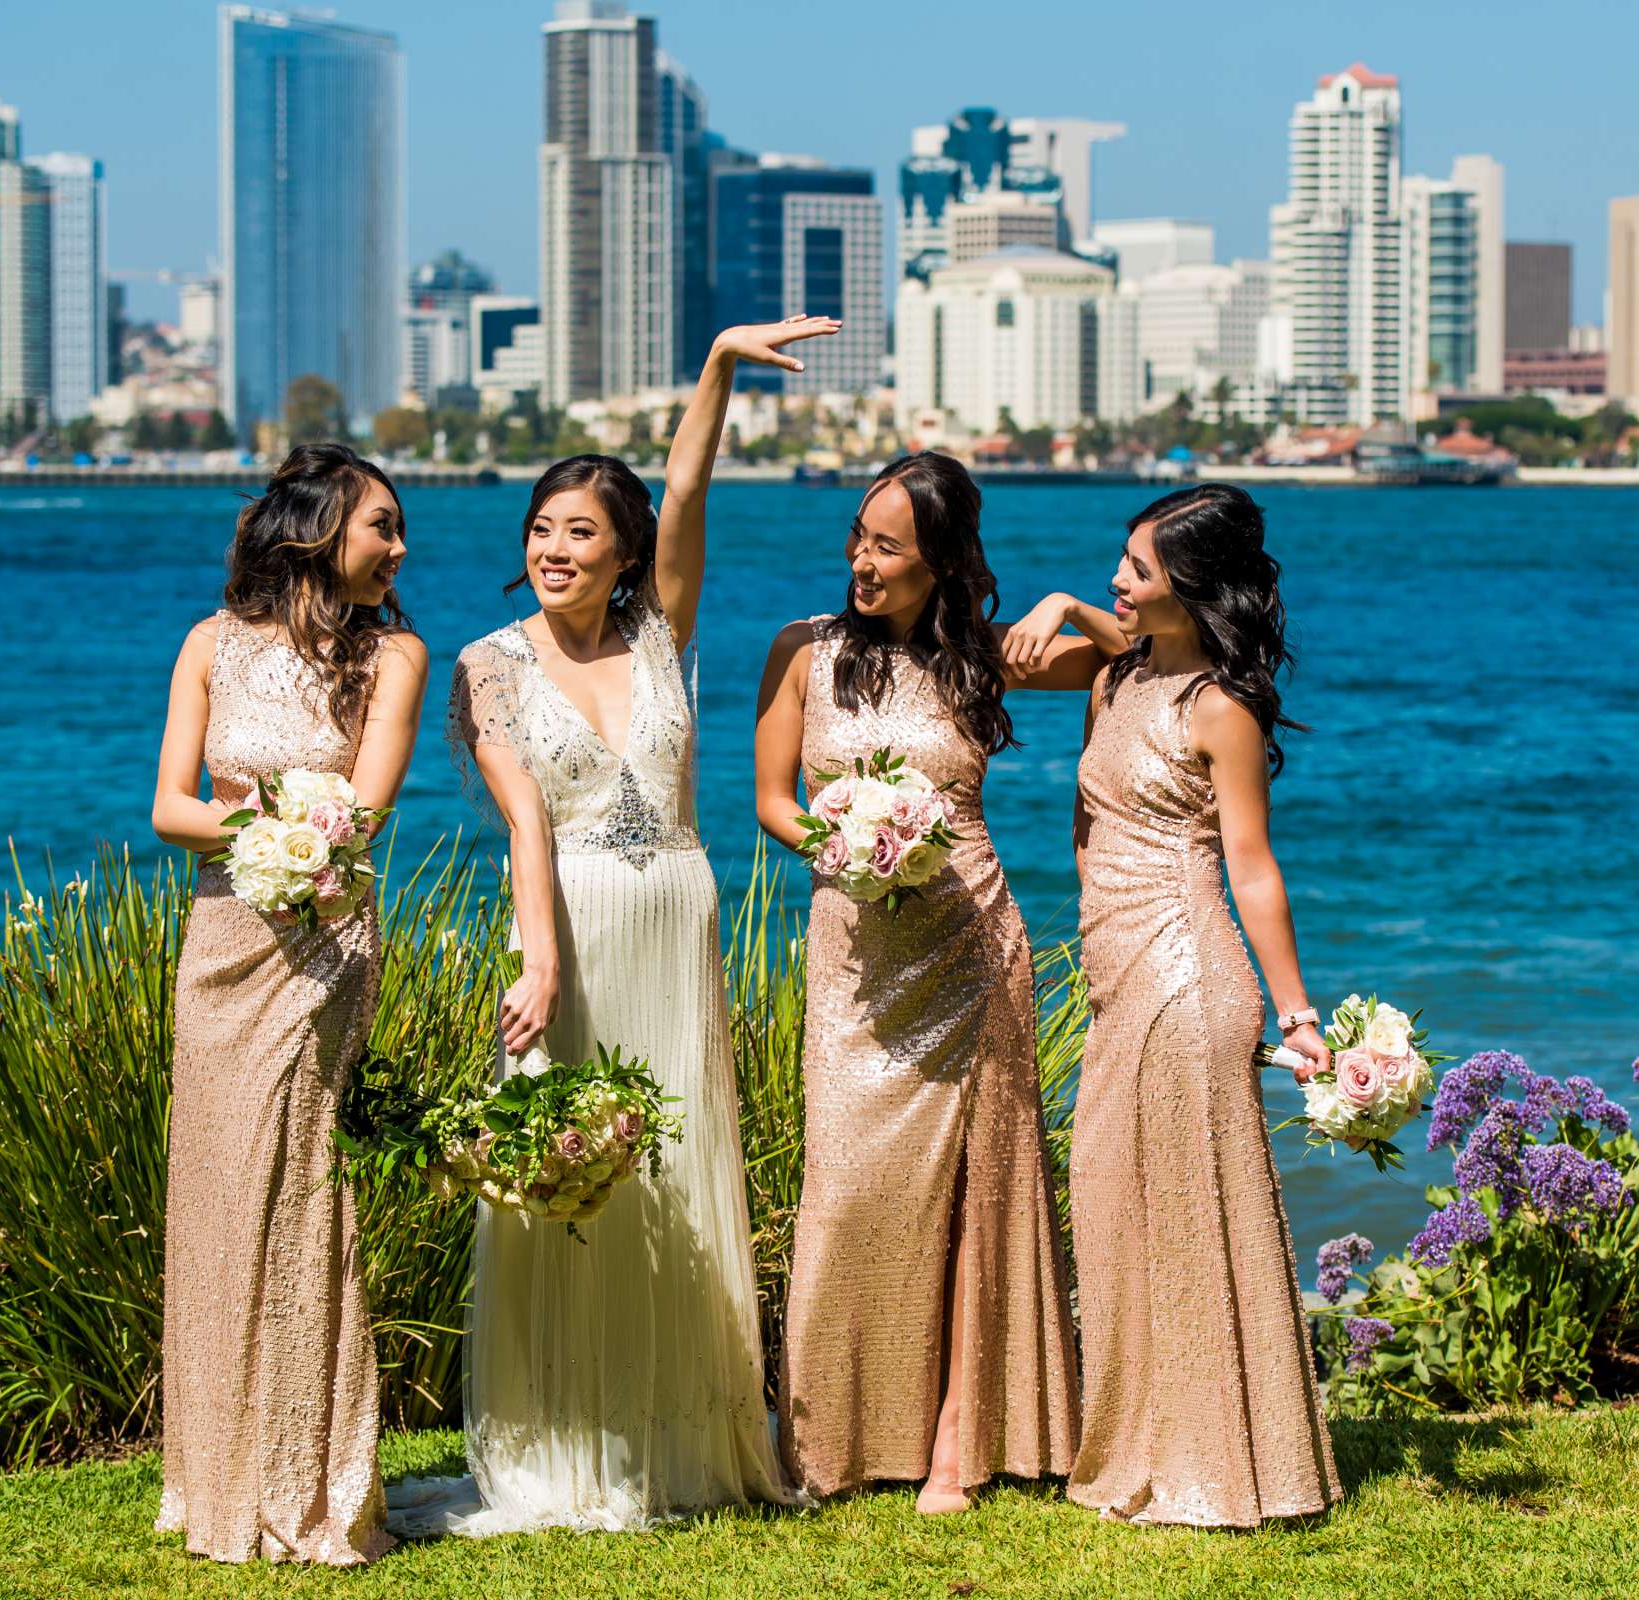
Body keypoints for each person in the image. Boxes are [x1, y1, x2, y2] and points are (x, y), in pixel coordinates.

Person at [393, 316, 838, 1536]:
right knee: (566, 1184)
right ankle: (561, 1444)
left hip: (676, 925)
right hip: (573, 934)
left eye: (579, 531)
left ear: (626, 549)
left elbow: (688, 481)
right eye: (539, 529)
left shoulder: (665, 633)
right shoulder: (485, 663)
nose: (552, 547)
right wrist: (539, 959)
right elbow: (525, 820)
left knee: (675, 1173)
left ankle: (677, 1441)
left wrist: (719, 367)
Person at [751, 453, 1085, 1514]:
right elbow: (770, 800)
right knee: (846, 1190)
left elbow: (1142, 656)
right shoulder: (802, 650)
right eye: (859, 535)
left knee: (977, 1198)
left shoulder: (982, 657)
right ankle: (828, 1439)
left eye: (888, 545)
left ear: (942, 560)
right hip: (855, 950)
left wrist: (1071, 603)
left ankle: (959, 1442)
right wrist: (846, 843)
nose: (862, 558)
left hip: (973, 942)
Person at [1014, 483, 1341, 1527]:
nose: (1120, 576)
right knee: (1111, 1208)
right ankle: (1152, 1440)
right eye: (1120, 557)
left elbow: (1252, 867)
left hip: (1189, 976)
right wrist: (1063, 600)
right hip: (1119, 981)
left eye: (1140, 569)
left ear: (1190, 589)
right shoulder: (1116, 675)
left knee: (1197, 1219)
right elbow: (999, 665)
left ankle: (1219, 1461)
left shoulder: (1221, 707)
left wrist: (1296, 1014)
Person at [149, 443, 430, 1564]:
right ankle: (214, 1476)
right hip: (218, 937)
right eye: (381, 527)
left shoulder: (394, 656)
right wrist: (262, 830)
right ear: (319, 529)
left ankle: (311, 1478)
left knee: (300, 1187)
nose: (398, 549)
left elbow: (364, 811)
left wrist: (288, 828)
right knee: (218, 1193)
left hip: (323, 944)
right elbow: (169, 807)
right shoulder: (209, 645)